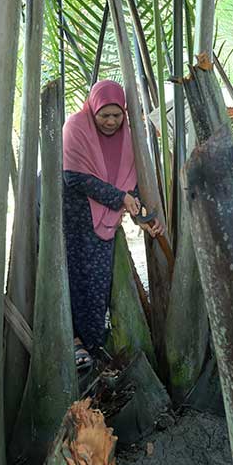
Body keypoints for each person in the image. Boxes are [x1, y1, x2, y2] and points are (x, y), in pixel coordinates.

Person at [62, 80, 164, 370]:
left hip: (105, 222)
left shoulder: (129, 138)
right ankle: (75, 343)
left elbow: (129, 183)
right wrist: (120, 198)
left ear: (124, 113)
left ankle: (92, 347)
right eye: (104, 115)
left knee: (97, 285)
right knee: (75, 279)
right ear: (92, 110)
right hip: (75, 216)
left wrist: (142, 215)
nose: (110, 121)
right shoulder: (76, 128)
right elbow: (74, 177)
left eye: (116, 115)